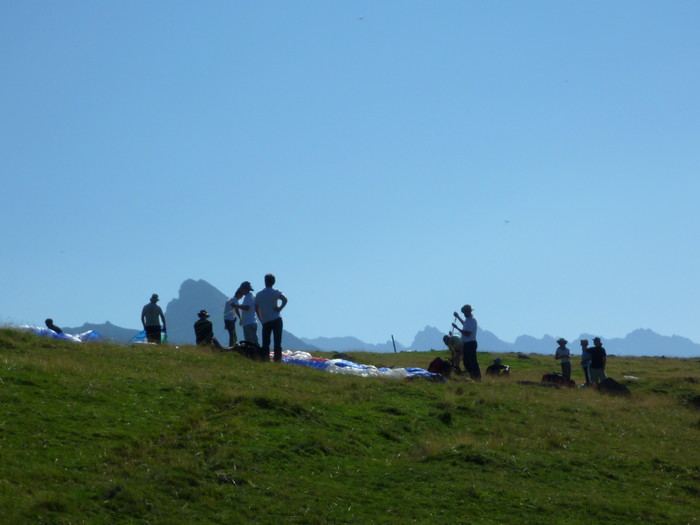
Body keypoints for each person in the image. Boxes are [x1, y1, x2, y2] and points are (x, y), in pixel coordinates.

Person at [255, 273, 288, 362]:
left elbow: (256, 308)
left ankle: (265, 359)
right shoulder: (275, 292)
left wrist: (261, 319)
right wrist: (279, 308)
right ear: (273, 282)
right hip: (276, 319)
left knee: (266, 342)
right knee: (277, 342)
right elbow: (285, 299)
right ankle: (277, 360)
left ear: (265, 281)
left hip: (266, 321)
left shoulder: (259, 294)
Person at [452, 304, 480, 381]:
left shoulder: (472, 320)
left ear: (469, 311)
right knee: (467, 362)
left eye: (465, 312)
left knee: (472, 362)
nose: (464, 314)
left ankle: (477, 377)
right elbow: (464, 324)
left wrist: (457, 328)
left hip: (470, 343)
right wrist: (457, 317)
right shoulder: (468, 320)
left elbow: (468, 333)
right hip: (467, 343)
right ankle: (472, 377)